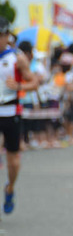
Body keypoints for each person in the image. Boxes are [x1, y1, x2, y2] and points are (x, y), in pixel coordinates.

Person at [0, 16, 38, 215]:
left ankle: (10, 187)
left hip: (11, 112)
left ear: (7, 36)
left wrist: (19, 86)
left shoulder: (17, 58)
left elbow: (34, 82)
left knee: (13, 160)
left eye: (1, 36)